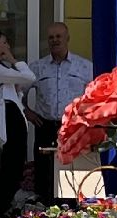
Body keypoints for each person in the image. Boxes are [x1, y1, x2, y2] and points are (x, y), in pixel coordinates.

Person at [25, 22, 91, 206]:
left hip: (73, 128)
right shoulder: (37, 67)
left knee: (72, 175)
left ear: (67, 39)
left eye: (58, 36)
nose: (55, 41)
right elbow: (16, 92)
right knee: (45, 176)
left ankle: (72, 214)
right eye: (51, 37)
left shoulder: (84, 67)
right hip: (45, 126)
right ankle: (45, 213)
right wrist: (27, 112)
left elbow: (95, 96)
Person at [0, 31, 37, 218]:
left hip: (15, 123)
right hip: (11, 127)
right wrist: (13, 59)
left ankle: (0, 211)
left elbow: (24, 84)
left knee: (13, 172)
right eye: (4, 42)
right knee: (10, 173)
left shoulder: (2, 70)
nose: (8, 46)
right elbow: (29, 78)